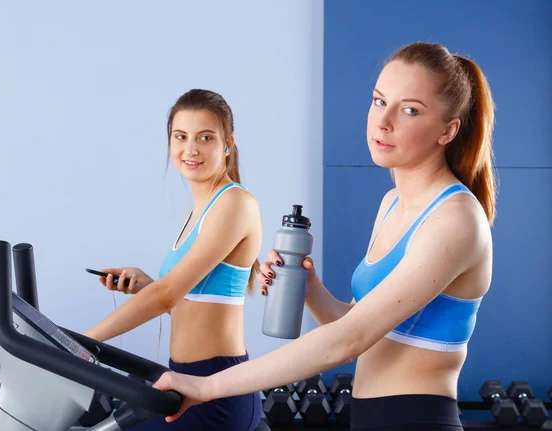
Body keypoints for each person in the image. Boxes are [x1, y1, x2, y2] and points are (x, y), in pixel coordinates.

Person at [154, 42, 497, 431]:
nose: (383, 121)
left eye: (410, 110)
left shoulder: (455, 218)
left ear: (448, 130)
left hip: (418, 418)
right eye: (379, 101)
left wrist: (208, 387)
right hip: (369, 417)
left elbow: (347, 341)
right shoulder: (392, 204)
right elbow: (358, 323)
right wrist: (309, 289)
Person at [83, 89, 263, 430]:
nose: (191, 149)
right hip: (181, 379)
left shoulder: (235, 203)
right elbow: (185, 295)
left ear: (227, 144)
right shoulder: (194, 212)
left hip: (217, 385)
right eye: (181, 136)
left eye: (205, 137)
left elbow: (168, 295)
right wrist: (147, 285)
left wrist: (79, 343)